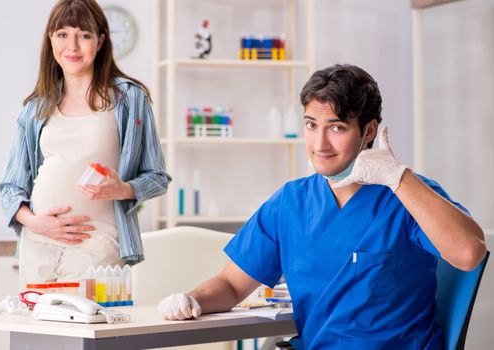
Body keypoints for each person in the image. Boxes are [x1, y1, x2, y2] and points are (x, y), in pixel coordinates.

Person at [158, 64, 486, 349]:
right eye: (312, 125)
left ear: (369, 130)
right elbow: (231, 285)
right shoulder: (290, 202)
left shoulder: (408, 195)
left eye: (337, 128)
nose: (320, 145)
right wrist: (193, 299)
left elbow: (470, 253)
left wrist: (398, 177)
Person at [0, 0, 170, 288]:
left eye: (84, 35)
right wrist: (34, 222)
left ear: (100, 41)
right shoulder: (35, 107)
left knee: (86, 327)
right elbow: (10, 188)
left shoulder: (129, 99)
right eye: (63, 34)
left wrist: (123, 189)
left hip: (98, 244)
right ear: (51, 40)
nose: (73, 46)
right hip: (39, 244)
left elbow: (158, 177)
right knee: (37, 330)